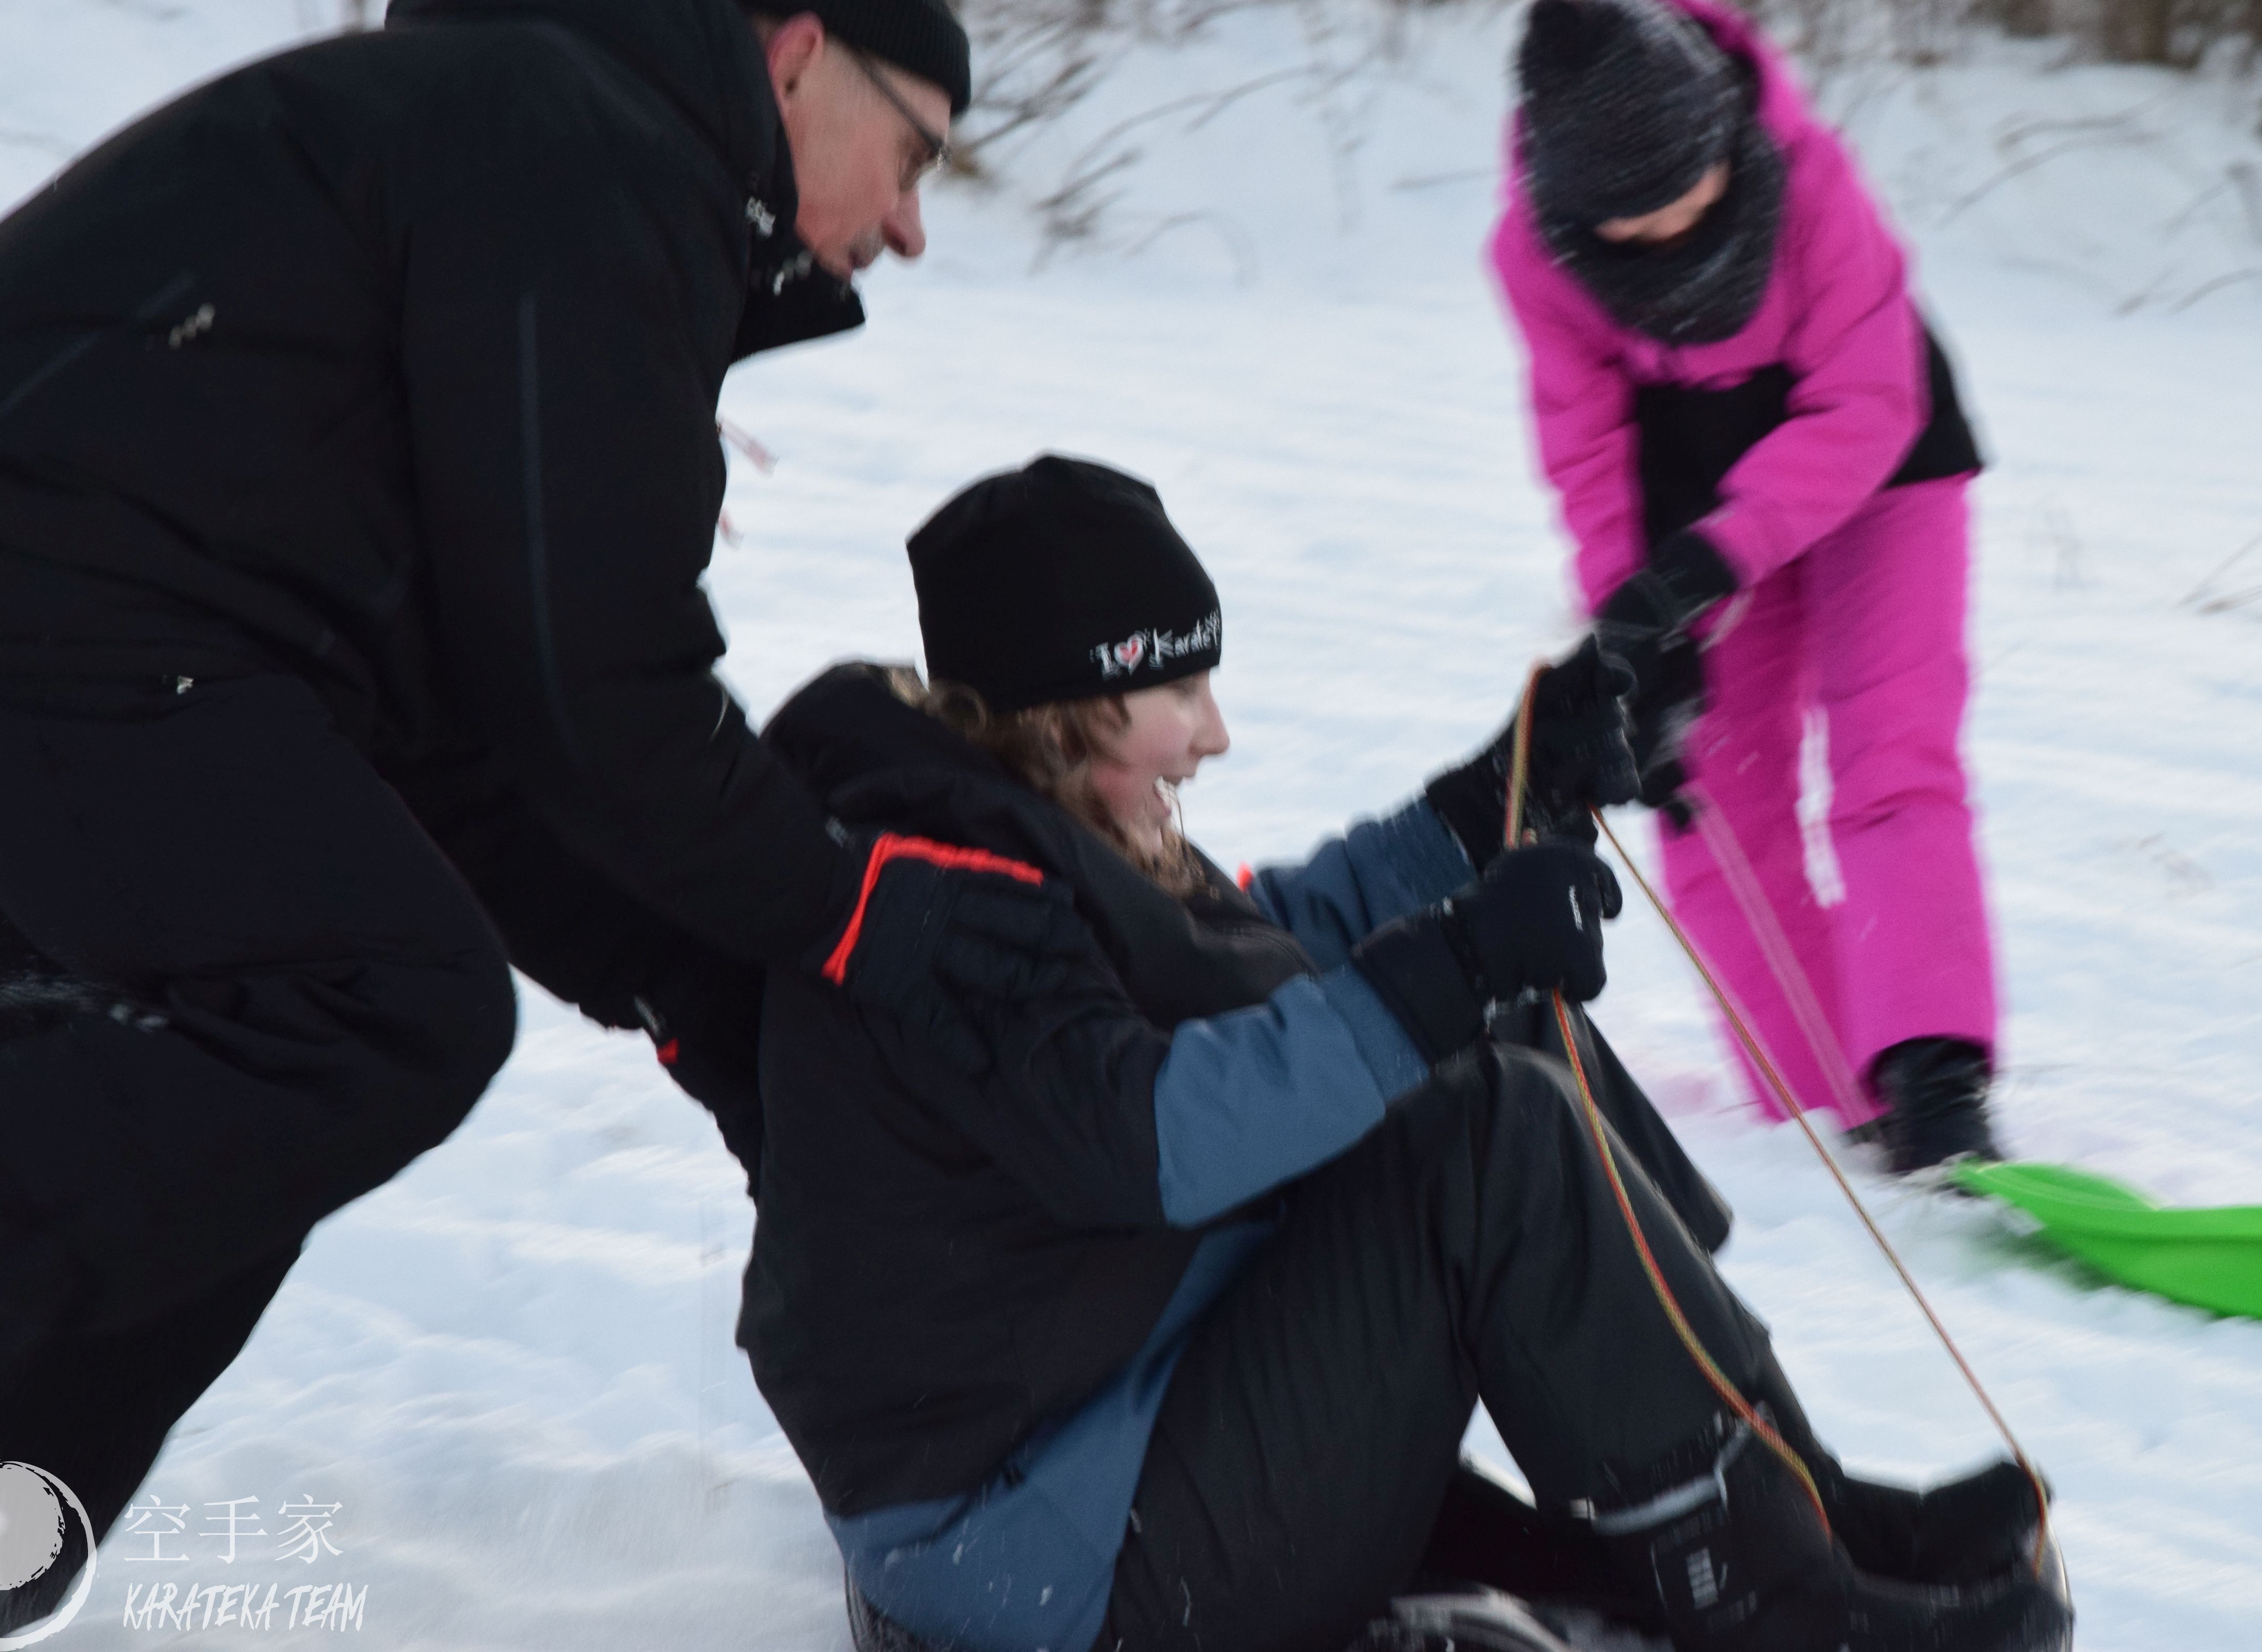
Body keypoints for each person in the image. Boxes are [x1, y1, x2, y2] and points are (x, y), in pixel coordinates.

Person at [0, 0, 1094, 1643]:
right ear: (796, 57)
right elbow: (590, 683)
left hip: (33, 614)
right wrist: (857, 913)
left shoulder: (538, 142)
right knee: (380, 1010)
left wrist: (701, 987)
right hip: (25, 603)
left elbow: (465, 730)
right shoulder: (590, 154)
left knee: (221, 1118)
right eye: (915, 155)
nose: (914, 225)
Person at [738, 454, 2071, 1652]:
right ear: (1069, 705)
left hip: (1111, 1413)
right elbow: (1150, 1137)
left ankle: (1794, 1510)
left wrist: (1485, 807)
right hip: (1037, 1554)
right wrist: (1451, 962)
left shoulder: (1013, 826)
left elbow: (1237, 951)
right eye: (1179, 687)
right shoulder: (948, 906)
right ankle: (1767, 1600)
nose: (1215, 730)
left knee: (1500, 1032)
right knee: (1487, 1129)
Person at [1486, 0, 2005, 1173]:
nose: (1672, 231)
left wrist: (1710, 564)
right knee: (1708, 785)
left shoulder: (1812, 180)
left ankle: (1933, 1072)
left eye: (1691, 196)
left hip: (1885, 461)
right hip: (1692, 498)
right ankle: (1827, 1098)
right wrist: (1635, 623)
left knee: (1893, 753)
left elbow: (1866, 400)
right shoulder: (1533, 256)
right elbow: (1586, 443)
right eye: (1636, 225)